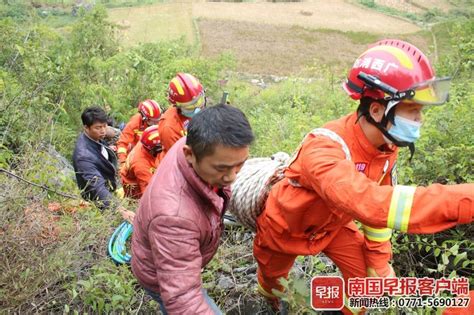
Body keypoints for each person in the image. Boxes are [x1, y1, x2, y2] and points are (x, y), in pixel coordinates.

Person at [253, 39, 474, 314]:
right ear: (377, 110)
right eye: (413, 109)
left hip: (334, 227)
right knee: (274, 281)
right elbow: (369, 202)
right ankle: (271, 301)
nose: (420, 119)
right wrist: (467, 199)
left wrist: (379, 262)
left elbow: (378, 215)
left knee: (366, 287)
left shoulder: (385, 147)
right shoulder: (324, 148)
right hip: (286, 228)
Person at [131, 104, 254, 314]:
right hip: (158, 276)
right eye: (222, 168)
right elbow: (183, 299)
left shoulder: (197, 145)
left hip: (173, 258)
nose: (232, 176)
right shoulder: (174, 217)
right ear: (190, 154)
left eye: (239, 164)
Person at [72, 106, 135, 221]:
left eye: (104, 126)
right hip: (98, 204)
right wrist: (121, 210)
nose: (103, 131)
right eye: (98, 127)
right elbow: (97, 187)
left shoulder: (96, 137)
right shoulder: (83, 156)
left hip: (111, 187)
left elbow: (116, 135)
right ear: (86, 127)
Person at [156, 73, 206, 164]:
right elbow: (182, 160)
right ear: (177, 106)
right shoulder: (169, 128)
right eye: (190, 107)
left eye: (199, 101)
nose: (197, 108)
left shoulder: (193, 110)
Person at [120, 125, 162, 199]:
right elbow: (149, 194)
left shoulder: (145, 142)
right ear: (156, 149)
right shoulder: (141, 165)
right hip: (136, 191)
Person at [116, 99, 162, 166]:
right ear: (144, 118)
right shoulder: (135, 122)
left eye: (157, 120)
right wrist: (123, 162)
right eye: (153, 121)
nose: (156, 123)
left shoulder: (162, 120)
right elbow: (123, 143)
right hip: (137, 155)